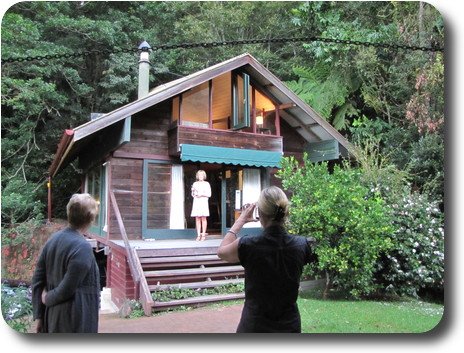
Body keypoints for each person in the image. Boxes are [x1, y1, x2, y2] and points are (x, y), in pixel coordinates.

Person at [217, 186, 316, 333]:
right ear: (286, 212)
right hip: (289, 326)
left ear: (260, 213)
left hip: (254, 325)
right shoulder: (302, 245)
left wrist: (242, 220)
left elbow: (221, 252)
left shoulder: (247, 245)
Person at [31, 193, 101, 333]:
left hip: (51, 320)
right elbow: (67, 289)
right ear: (91, 218)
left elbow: (37, 281)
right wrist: (46, 298)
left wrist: (39, 316)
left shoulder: (52, 240)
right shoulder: (82, 247)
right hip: (75, 322)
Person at [190, 170, 211, 241]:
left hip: (203, 201)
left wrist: (201, 194)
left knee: (203, 218)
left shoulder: (207, 184)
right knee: (197, 218)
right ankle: (198, 235)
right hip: (196, 202)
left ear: (204, 176)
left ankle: (203, 235)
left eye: (202, 175)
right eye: (199, 175)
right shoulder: (195, 184)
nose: (200, 177)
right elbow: (192, 195)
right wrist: (193, 192)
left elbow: (209, 194)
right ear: (197, 176)